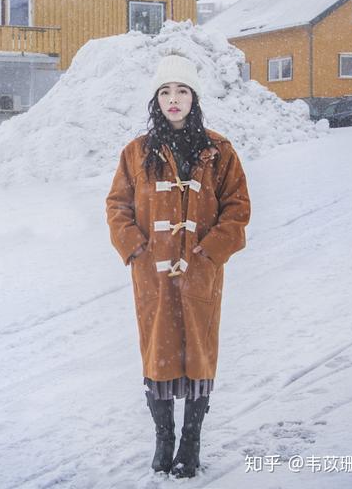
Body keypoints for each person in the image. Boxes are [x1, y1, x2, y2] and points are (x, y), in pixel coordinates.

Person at [105, 54, 251, 478]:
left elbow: (237, 209)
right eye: (166, 91)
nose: (174, 99)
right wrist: (136, 249)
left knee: (199, 356)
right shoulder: (135, 153)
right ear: (156, 99)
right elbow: (117, 206)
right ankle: (163, 438)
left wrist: (207, 254)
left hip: (201, 276)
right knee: (159, 355)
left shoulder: (219, 150)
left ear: (194, 98)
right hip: (152, 275)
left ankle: (191, 441)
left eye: (182, 91)